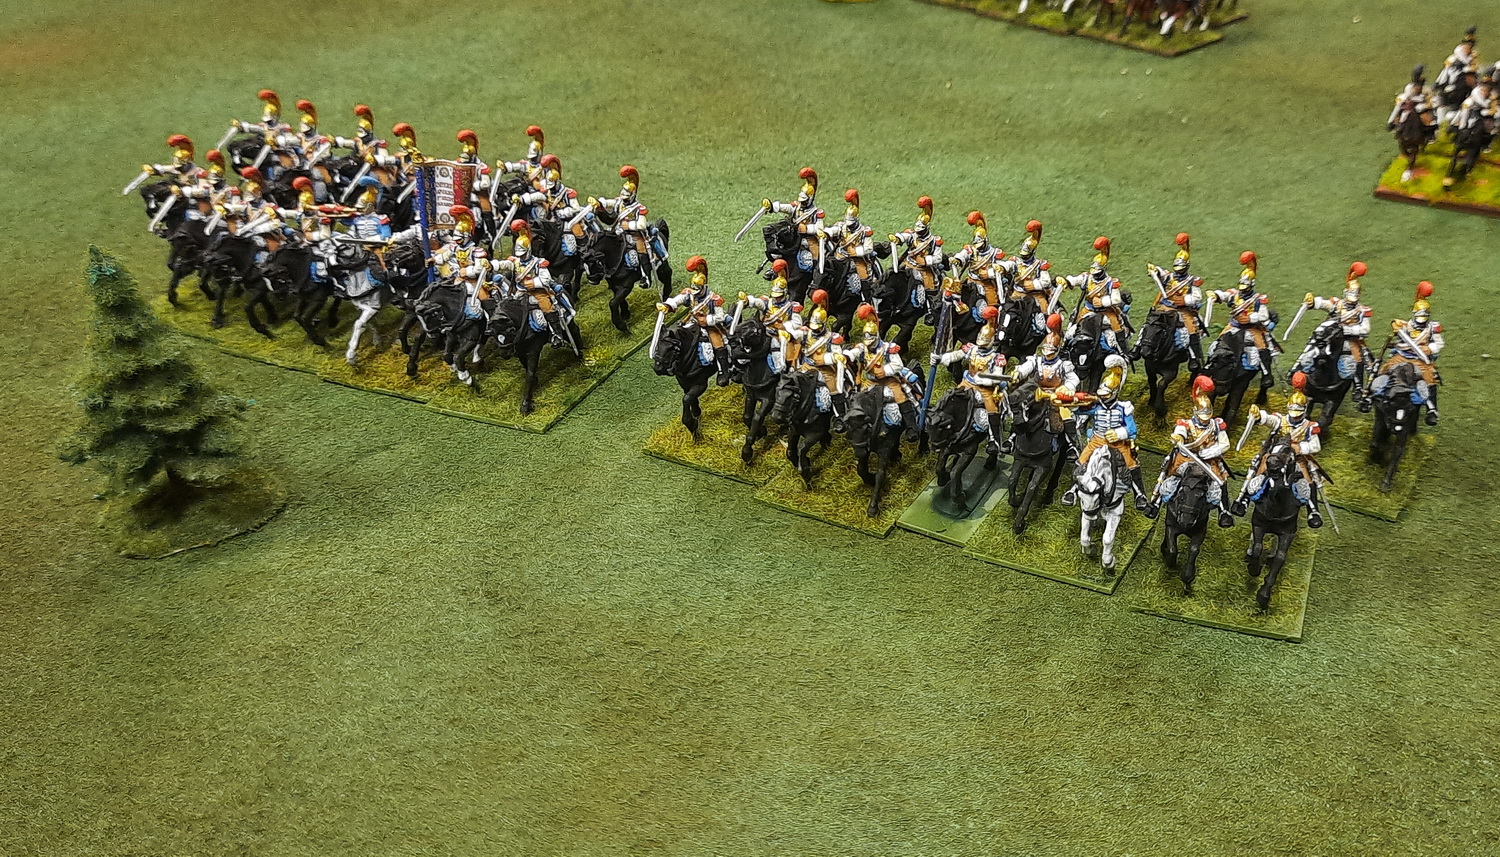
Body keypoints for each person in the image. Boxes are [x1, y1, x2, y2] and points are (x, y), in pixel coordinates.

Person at [1232, 373, 1326, 528]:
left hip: (1296, 457)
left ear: (1304, 411)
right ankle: (1244, 498)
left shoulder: (1309, 427)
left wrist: (1300, 448)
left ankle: (1313, 509)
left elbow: (1316, 446)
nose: (1295, 417)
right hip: (1276, 453)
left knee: (1309, 477)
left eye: (1298, 415)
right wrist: (1258, 415)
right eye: (1293, 414)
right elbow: (1269, 419)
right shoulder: (1281, 420)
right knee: (1258, 467)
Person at [1061, 354, 1149, 510]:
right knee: (1081, 461)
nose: (1102, 397)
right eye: (1101, 394)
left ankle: (1139, 495)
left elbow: (1132, 429)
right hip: (1097, 440)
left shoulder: (1123, 408)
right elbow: (1080, 411)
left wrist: (1119, 433)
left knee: (1131, 465)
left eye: (1105, 395)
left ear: (1113, 393)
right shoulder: (1096, 407)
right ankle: (1072, 490)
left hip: (1118, 443)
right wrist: (1072, 401)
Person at [1145, 376, 1234, 528]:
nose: (1205, 419)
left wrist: (1211, 452)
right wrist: (1178, 438)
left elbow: (1225, 444)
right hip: (1186, 459)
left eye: (1208, 415)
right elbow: (1180, 433)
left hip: (1208, 460)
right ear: (1195, 412)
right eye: (1202, 416)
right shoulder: (1186, 424)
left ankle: (1224, 511)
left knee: (1220, 480)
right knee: (1168, 475)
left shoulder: (1216, 425)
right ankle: (1156, 502)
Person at [842, 305, 923, 440]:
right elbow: (854, 353)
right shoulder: (862, 348)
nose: (869, 345)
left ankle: (911, 427)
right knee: (858, 399)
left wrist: (885, 370)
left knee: (901, 397)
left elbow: (898, 365)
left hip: (889, 381)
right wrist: (846, 355)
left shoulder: (887, 349)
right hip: (871, 381)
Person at [933, 306, 1007, 452]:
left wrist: (985, 381)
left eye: (985, 339)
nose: (982, 342)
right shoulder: (972, 349)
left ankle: (994, 440)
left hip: (985, 388)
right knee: (951, 398)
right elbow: (956, 355)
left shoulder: (996, 357)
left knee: (992, 410)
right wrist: (941, 358)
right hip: (967, 383)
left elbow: (997, 376)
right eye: (981, 338)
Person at [1294, 261, 1374, 396]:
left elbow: (1365, 329)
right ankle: (1299, 370)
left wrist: (1348, 330)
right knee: (1313, 347)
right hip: (1331, 336)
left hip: (1350, 339)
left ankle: (1358, 387)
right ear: (1345, 292)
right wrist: (1313, 302)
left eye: (1355, 295)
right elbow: (1324, 304)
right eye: (1351, 294)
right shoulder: (1337, 304)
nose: (1352, 299)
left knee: (1357, 359)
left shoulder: (1363, 310)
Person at [1369, 281, 1444, 424]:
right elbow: (1396, 333)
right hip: (1401, 356)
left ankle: (1432, 409)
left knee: (1430, 379)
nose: (1421, 319)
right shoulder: (1404, 326)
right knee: (1382, 371)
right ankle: (1369, 394)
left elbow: (1439, 344)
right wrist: (1395, 328)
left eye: (1424, 316)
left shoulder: (1432, 328)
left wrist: (1429, 349)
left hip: (1420, 359)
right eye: (1419, 316)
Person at [1207, 250, 1279, 391]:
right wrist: (1215, 295)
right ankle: (1210, 364)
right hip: (1234, 325)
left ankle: (1266, 374)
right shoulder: (1236, 295)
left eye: (1245, 288)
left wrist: (1251, 318)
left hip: (1252, 328)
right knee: (1218, 341)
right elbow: (1225, 296)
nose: (1243, 290)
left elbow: (1263, 315)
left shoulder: (1257, 299)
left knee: (1262, 346)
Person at [658, 255, 732, 385]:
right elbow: (679, 299)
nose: (694, 291)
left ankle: (723, 370)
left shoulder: (713, 299)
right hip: (692, 323)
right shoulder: (690, 294)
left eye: (697, 288)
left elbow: (720, 316)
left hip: (710, 326)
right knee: (678, 335)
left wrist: (707, 320)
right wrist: (668, 305)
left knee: (718, 343)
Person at [1146, 232, 1205, 369]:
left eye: (1181, 269)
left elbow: (1197, 297)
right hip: (1167, 307)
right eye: (1177, 269)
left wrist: (1185, 300)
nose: (1178, 272)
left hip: (1184, 311)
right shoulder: (1169, 277)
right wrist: (1155, 270)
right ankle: (1139, 345)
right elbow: (1161, 274)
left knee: (1191, 330)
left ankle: (1194, 357)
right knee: (1150, 322)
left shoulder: (1192, 281)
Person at [761, 167, 825, 278]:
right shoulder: (797, 206)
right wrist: (772, 206)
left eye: (804, 201)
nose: (802, 203)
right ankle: (776, 268)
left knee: (814, 254)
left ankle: (816, 275)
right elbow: (786, 207)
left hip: (807, 238)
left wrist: (807, 229)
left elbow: (819, 228)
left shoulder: (816, 212)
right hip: (794, 234)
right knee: (780, 241)